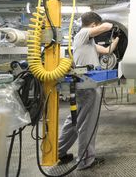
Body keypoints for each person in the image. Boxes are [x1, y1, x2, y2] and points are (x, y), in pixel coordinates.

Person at [58, 12, 119, 170]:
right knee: (87, 123)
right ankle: (86, 160)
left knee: (74, 120)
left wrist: (117, 38)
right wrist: (113, 24)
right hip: (87, 85)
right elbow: (105, 26)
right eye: (97, 27)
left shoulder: (88, 42)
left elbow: (107, 51)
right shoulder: (83, 34)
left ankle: (59, 151)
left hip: (85, 83)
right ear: (93, 25)